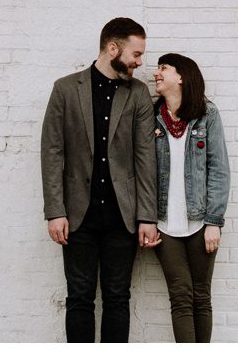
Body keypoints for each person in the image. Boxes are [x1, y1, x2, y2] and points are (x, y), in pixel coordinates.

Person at [41, 17, 161, 342]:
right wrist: (55, 211)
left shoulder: (138, 94)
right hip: (78, 217)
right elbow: (52, 153)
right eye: (136, 54)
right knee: (79, 298)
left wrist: (147, 217)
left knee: (118, 299)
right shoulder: (65, 89)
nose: (139, 62)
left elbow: (144, 157)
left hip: (122, 217)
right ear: (112, 48)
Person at [149, 53, 229, 343]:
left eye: (163, 68)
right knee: (180, 296)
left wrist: (214, 222)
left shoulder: (207, 115)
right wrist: (145, 220)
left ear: (181, 77)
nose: (156, 73)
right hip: (164, 224)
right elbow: (141, 172)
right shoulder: (150, 116)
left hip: (200, 222)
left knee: (201, 296)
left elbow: (219, 169)